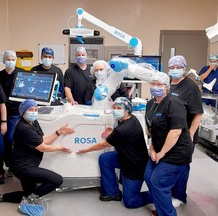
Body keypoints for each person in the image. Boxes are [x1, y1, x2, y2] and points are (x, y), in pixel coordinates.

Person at [0, 99, 75, 215]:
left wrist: (59, 132)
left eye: (36, 109)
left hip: (28, 164)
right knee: (57, 180)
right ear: (23, 111)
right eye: (31, 109)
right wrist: (60, 148)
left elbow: (42, 141)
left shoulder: (34, 123)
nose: (34, 112)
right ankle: (30, 199)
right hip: (23, 168)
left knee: (28, 193)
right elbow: (42, 147)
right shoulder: (24, 127)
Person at [77, 97, 151, 208]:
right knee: (105, 159)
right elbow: (120, 132)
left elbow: (103, 144)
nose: (115, 110)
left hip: (135, 166)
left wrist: (86, 150)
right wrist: (112, 130)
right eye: (114, 107)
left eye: (119, 108)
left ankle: (156, 197)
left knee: (130, 202)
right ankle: (112, 192)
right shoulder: (129, 118)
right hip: (125, 156)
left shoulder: (124, 129)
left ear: (127, 110)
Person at [144, 72, 193, 216]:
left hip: (176, 152)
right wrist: (152, 149)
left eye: (159, 84)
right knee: (148, 176)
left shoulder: (174, 104)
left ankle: (167, 213)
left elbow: (175, 132)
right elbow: (152, 129)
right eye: (153, 84)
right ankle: (162, 209)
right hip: (158, 149)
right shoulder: (150, 103)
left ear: (167, 87)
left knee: (158, 182)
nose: (155, 87)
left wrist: (162, 153)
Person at [168, 55, 203, 208]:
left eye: (178, 67)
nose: (175, 70)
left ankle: (179, 195)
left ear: (184, 68)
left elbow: (198, 113)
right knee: (169, 164)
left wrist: (190, 134)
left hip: (184, 135)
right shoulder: (168, 84)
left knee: (181, 166)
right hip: (170, 133)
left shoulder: (190, 87)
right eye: (172, 67)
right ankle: (170, 190)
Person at [0, 50, 25, 175]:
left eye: (13, 59)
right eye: (8, 59)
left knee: (11, 139)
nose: (10, 61)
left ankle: (13, 165)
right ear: (4, 60)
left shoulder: (22, 73)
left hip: (16, 112)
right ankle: (4, 165)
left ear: (16, 60)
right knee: (1, 142)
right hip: (1, 111)